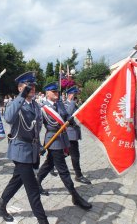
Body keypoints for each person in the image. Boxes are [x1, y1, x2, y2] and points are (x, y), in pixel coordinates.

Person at [0, 71, 49, 224]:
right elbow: (9, 118)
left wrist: (39, 147)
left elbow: (36, 130)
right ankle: (43, 220)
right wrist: (21, 96)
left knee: (17, 180)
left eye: (33, 86)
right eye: (27, 86)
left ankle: (0, 206)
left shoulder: (36, 106)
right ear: (19, 88)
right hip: (19, 150)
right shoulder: (15, 104)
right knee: (32, 189)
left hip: (30, 151)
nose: (32, 88)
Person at [36, 82, 92, 210]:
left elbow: (66, 116)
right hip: (53, 140)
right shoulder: (43, 108)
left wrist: (71, 120)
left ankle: (37, 182)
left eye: (57, 92)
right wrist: (39, 145)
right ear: (47, 94)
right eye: (54, 92)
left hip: (62, 138)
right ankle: (75, 196)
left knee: (50, 163)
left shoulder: (60, 104)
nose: (57, 94)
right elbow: (37, 128)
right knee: (63, 170)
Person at [64, 86, 91, 184]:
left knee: (65, 153)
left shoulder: (74, 104)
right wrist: (72, 102)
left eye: (76, 95)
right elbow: (67, 114)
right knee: (75, 155)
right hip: (69, 134)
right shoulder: (65, 104)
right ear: (70, 95)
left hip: (74, 133)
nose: (76, 97)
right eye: (75, 95)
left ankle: (51, 164)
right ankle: (78, 175)